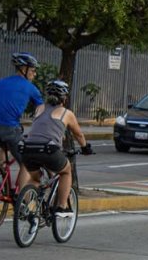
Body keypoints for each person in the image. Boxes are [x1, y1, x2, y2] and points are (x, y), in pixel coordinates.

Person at [20, 80, 93, 220]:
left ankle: (26, 205)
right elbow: (78, 134)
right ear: (64, 98)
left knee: (35, 178)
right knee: (66, 171)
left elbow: (43, 127)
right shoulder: (66, 113)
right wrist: (85, 148)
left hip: (28, 149)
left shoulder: (39, 108)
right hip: (49, 150)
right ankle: (61, 206)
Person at [0, 52, 44, 190]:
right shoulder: (31, 88)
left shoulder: (0, 82)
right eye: (33, 70)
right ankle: (20, 198)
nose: (35, 74)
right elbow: (41, 111)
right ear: (24, 69)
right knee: (27, 163)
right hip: (10, 129)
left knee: (4, 146)